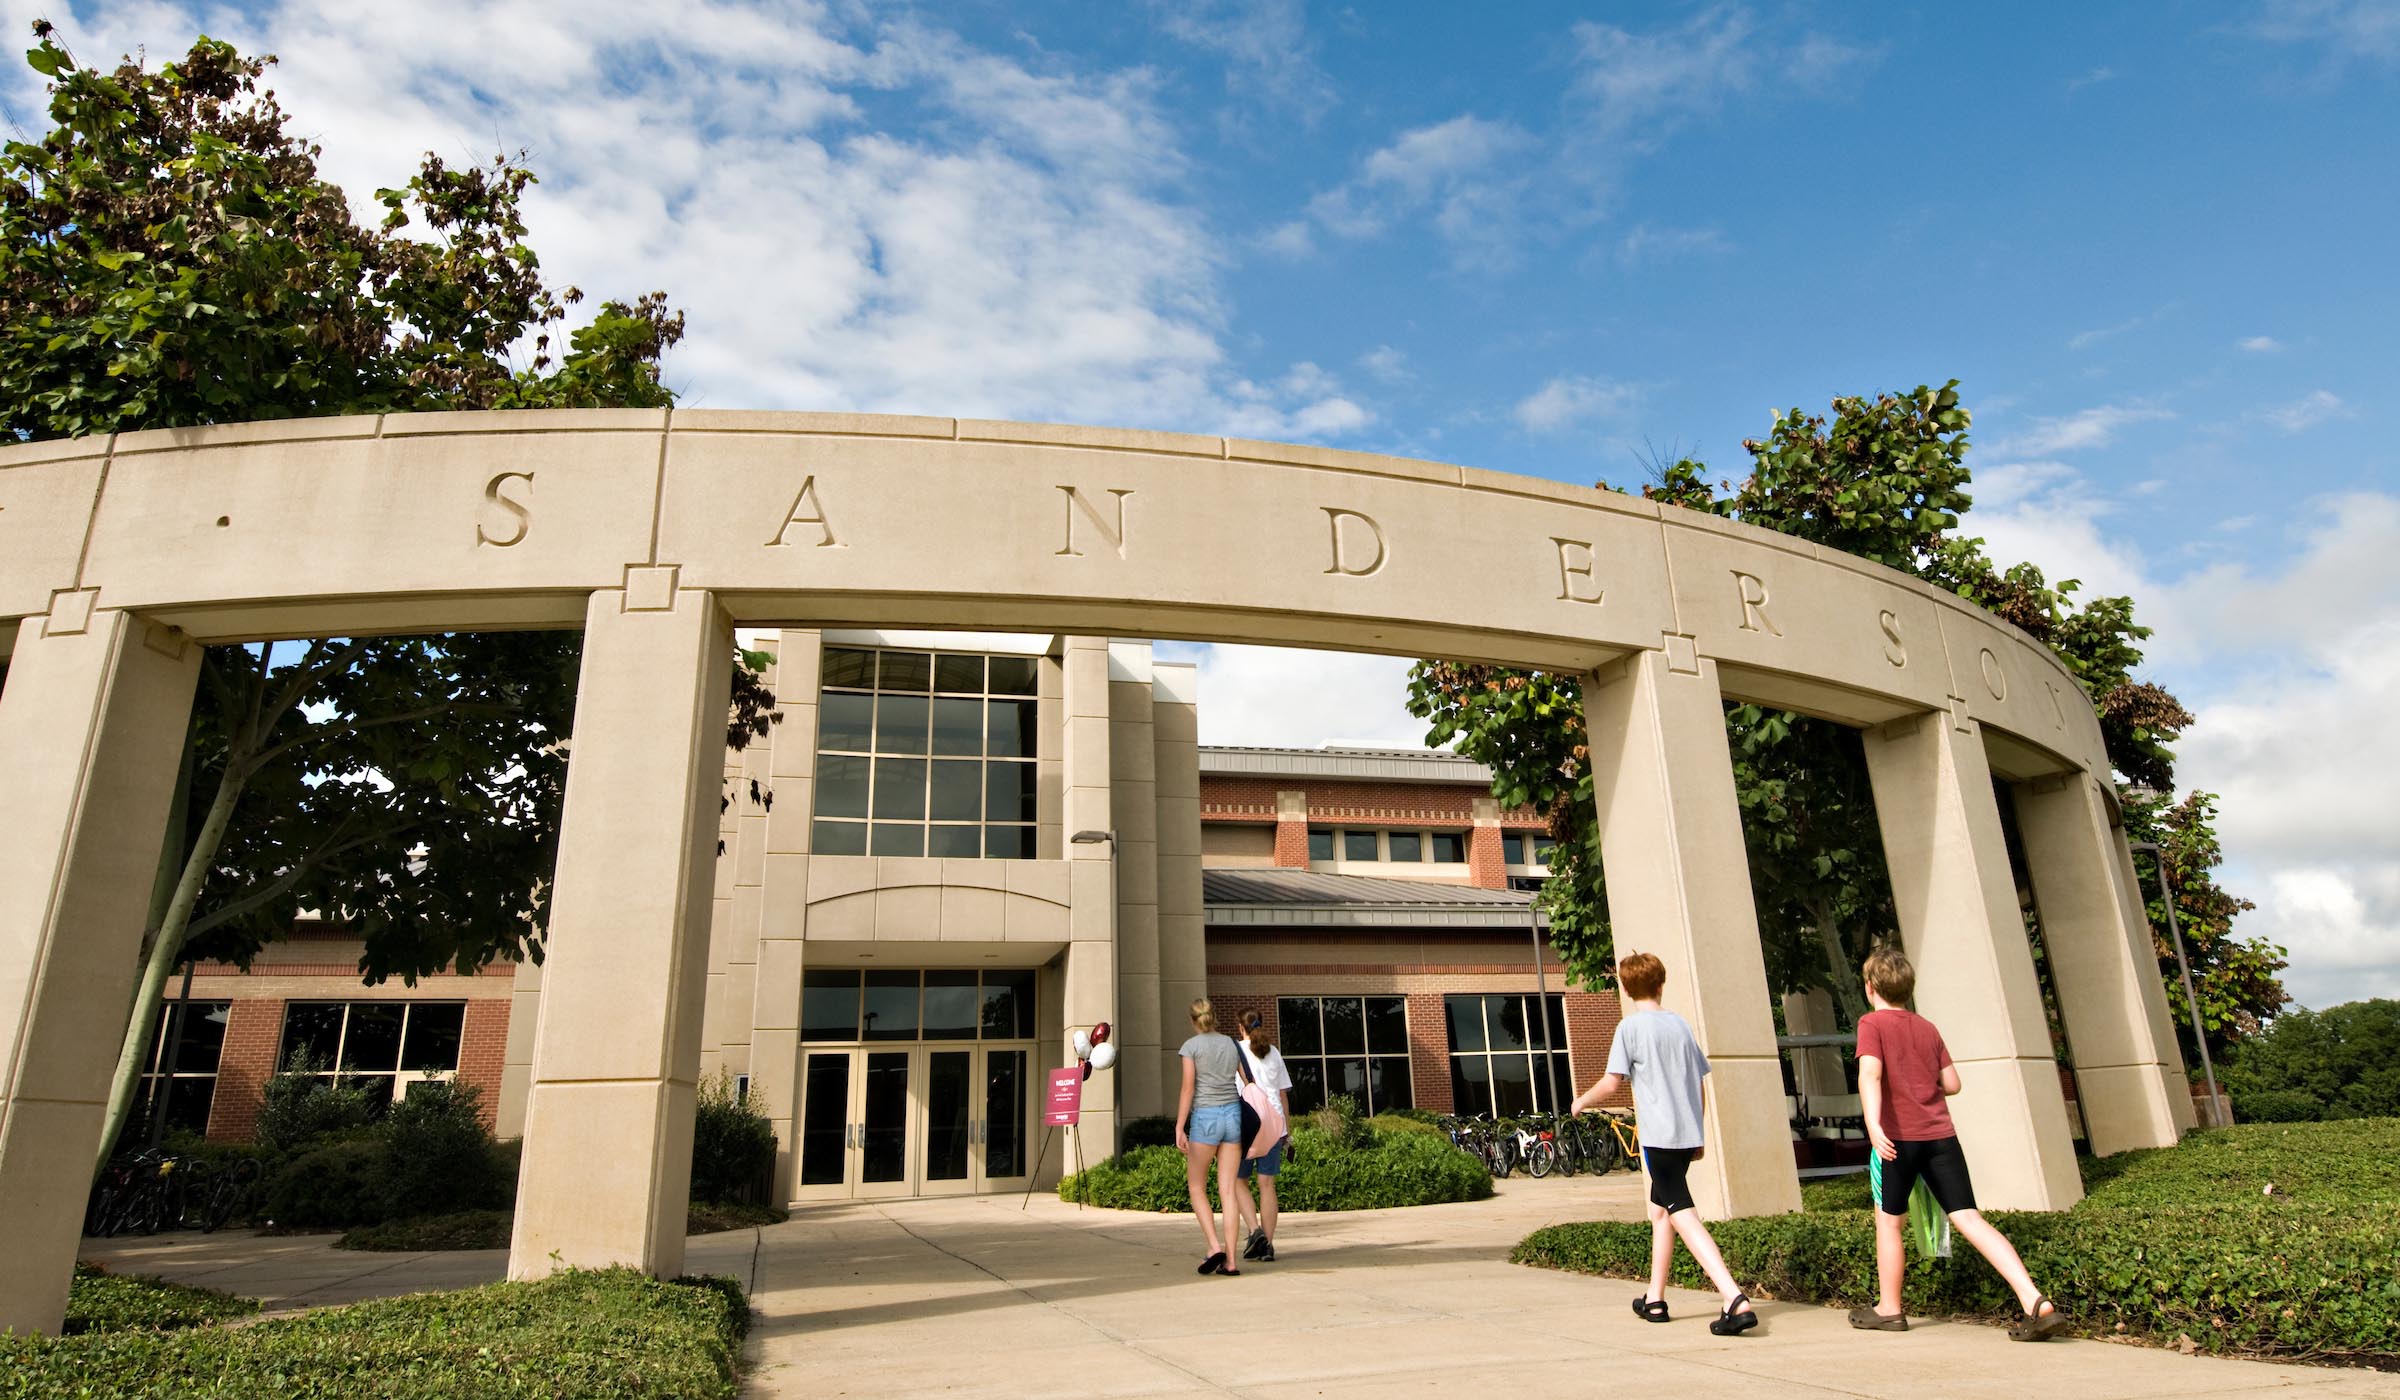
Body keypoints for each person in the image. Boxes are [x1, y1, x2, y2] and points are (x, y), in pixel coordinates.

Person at [1850, 946, 2068, 1340]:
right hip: (1941, 1137)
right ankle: (2034, 1300)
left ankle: (1890, 1309)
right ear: (1908, 988)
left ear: (1870, 987)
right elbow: (1952, 1083)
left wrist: (1873, 1125)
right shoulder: (1927, 1027)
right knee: (1969, 1218)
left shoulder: (1872, 1023)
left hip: (1896, 1141)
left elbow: (1871, 1075)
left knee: (1889, 1223)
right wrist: (1920, 1084)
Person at [1567, 951, 1759, 1336]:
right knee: (1660, 1213)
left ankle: (1734, 1298)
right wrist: (1698, 1134)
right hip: (1686, 1135)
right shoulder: (1680, 1026)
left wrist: (1581, 1101)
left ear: (1625, 987)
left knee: (1681, 1211)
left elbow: (1612, 1082)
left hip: (1659, 1138)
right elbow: (1701, 1082)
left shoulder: (1630, 1029)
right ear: (1661, 984)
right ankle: (1655, 1299)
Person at [1175, 996, 1247, 1276]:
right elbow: (1245, 1080)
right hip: (1232, 1116)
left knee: (1196, 1186)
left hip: (1205, 1117)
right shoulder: (1230, 1043)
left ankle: (1214, 1246)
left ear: (1193, 1020)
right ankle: (1231, 1262)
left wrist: (1180, 1126)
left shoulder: (1190, 1047)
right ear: (1214, 1017)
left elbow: (1187, 1089)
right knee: (1228, 1190)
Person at [1227, 1009, 1294, 1262]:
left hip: (1247, 1125)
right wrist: (1287, 1130)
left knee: (1237, 1180)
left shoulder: (1235, 1051)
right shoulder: (1273, 1051)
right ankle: (1268, 1244)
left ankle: (1256, 1233)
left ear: (1240, 1027)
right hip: (1275, 1126)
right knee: (1267, 1186)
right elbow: (1283, 1095)